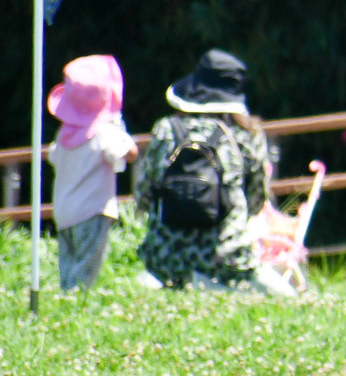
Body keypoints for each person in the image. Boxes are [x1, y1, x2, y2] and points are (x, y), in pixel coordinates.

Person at [134, 50, 272, 290]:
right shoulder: (247, 135)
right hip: (228, 257)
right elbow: (257, 198)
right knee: (285, 295)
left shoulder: (166, 129)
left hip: (165, 256)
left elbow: (144, 194)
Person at [46, 55, 138, 291]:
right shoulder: (104, 131)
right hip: (91, 210)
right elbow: (129, 153)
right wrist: (122, 133)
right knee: (86, 269)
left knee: (68, 265)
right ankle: (77, 303)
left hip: (64, 211)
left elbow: (53, 157)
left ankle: (66, 298)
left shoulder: (64, 133)